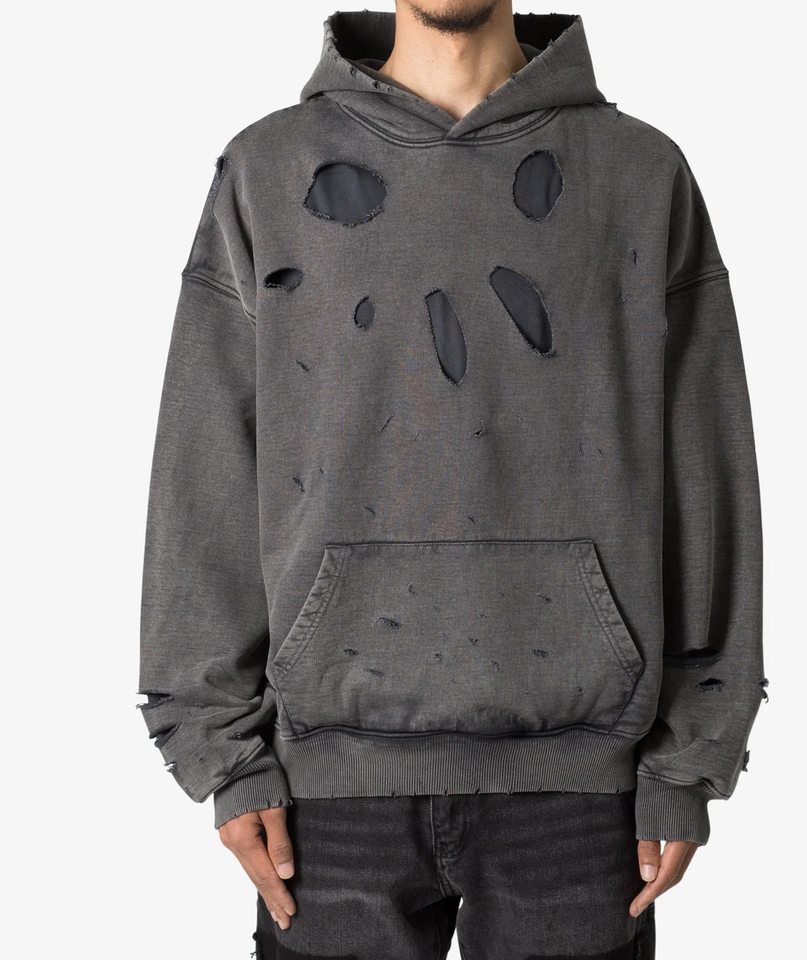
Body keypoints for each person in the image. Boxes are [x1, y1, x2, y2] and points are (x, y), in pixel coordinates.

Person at [137, 3, 768, 957]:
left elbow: (706, 461)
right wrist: (221, 752)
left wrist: (692, 752)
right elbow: (207, 458)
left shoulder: (640, 172)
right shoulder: (266, 168)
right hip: (323, 789)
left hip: (583, 784)